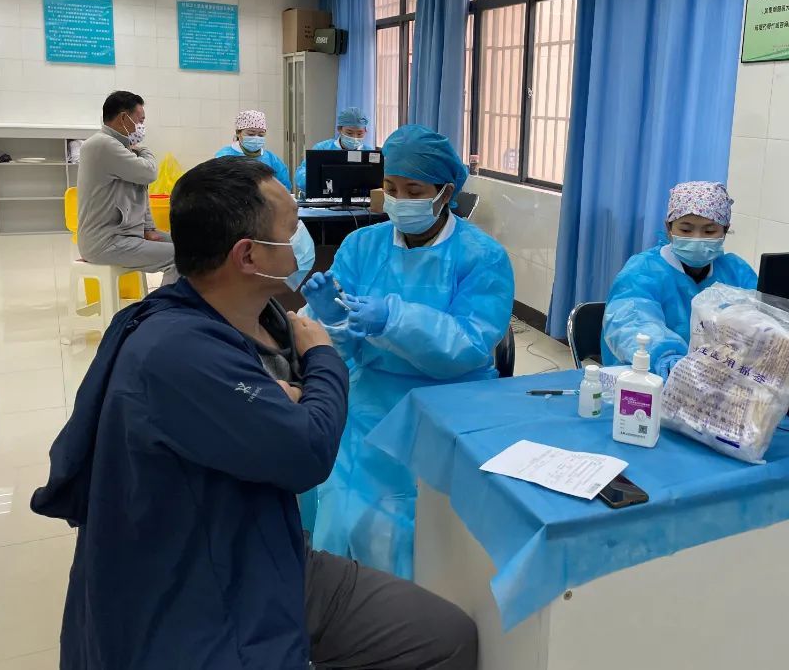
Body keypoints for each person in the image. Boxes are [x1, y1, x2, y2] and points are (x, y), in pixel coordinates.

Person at [32, 156, 478, 670]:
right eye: (292, 229)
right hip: (202, 582)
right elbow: (307, 448)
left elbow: (272, 401)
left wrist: (290, 390)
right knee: (437, 638)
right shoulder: (176, 352)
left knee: (447, 633)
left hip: (261, 542)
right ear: (247, 255)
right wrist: (322, 356)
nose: (302, 240)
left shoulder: (242, 313)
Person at [301, 124, 514, 579]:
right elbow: (344, 350)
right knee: (345, 518)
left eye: (414, 191)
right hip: (372, 402)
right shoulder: (362, 245)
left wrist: (392, 319)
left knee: (426, 539)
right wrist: (333, 322)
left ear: (445, 192)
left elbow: (469, 344)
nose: (399, 200)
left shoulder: (482, 256)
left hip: (452, 405)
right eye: (391, 187)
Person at [602, 181, 758, 379]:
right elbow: (631, 321)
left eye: (709, 231)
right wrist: (666, 359)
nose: (697, 238)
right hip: (651, 378)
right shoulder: (643, 271)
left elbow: (761, 320)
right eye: (686, 230)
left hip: (721, 380)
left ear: (725, 231)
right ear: (669, 228)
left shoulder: (736, 272)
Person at [77, 90, 176, 284]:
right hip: (107, 241)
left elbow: (142, 188)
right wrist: (144, 150)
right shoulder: (102, 145)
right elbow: (149, 173)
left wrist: (149, 228)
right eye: (140, 121)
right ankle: (166, 303)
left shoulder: (122, 148)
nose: (141, 127)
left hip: (128, 235)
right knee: (181, 257)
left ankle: (187, 299)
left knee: (191, 246)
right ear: (123, 118)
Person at [294, 106, 372, 195]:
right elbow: (302, 175)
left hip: (360, 200)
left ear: (366, 131)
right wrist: (315, 180)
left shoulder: (369, 152)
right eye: (349, 133)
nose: (354, 137)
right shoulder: (322, 149)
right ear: (339, 129)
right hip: (325, 198)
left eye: (359, 133)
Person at [214, 109, 292, 191]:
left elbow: (284, 188)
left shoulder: (272, 160)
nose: (256, 138)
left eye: (261, 135)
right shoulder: (224, 156)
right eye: (251, 134)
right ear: (238, 133)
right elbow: (216, 186)